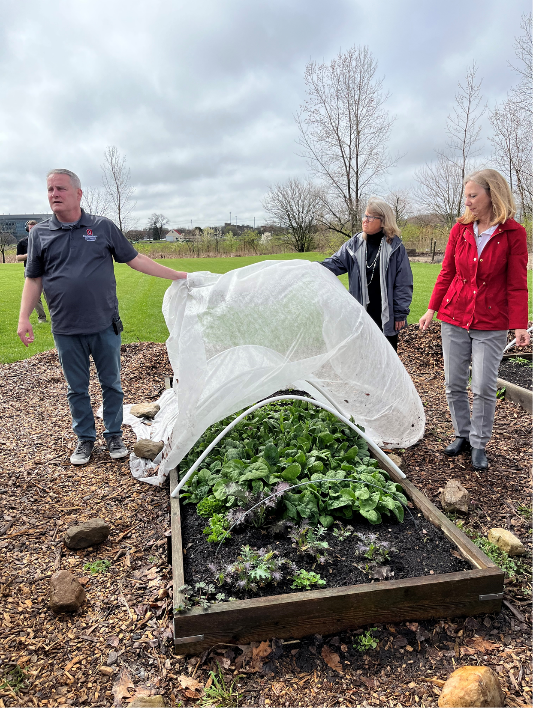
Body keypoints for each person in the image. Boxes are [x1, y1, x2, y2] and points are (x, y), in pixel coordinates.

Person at [17, 168, 188, 466]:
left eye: (60, 189)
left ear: (78, 193)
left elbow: (136, 259)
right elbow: (33, 279)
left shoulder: (102, 227)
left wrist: (179, 275)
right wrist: (24, 318)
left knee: (112, 385)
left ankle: (113, 434)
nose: (54, 194)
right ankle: (85, 439)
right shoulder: (40, 234)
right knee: (76, 388)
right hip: (66, 329)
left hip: (104, 326)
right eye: (50, 190)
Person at [419, 169, 530, 471]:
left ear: (492, 195)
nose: (466, 202)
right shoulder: (460, 230)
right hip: (454, 316)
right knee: (453, 382)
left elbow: (517, 284)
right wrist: (432, 309)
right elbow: (447, 273)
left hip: (491, 322)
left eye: (472, 195)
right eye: (465, 195)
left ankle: (479, 443)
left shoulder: (513, 234)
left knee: (482, 385)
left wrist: (520, 324)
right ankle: (462, 435)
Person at [320, 197, 413, 351]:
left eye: (370, 217)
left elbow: (403, 283)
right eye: (365, 216)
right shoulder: (354, 244)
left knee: (386, 358)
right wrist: (310, 267)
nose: (365, 220)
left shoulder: (395, 247)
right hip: (361, 313)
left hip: (385, 315)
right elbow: (334, 263)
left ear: (383, 221)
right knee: (363, 357)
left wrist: (400, 313)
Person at [16, 220, 48, 323]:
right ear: (27, 229)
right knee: (35, 296)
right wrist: (29, 254)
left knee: (49, 294)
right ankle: (42, 318)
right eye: (31, 228)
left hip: (45, 270)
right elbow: (18, 258)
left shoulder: (45, 240)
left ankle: (56, 317)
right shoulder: (22, 242)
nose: (33, 229)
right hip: (30, 271)